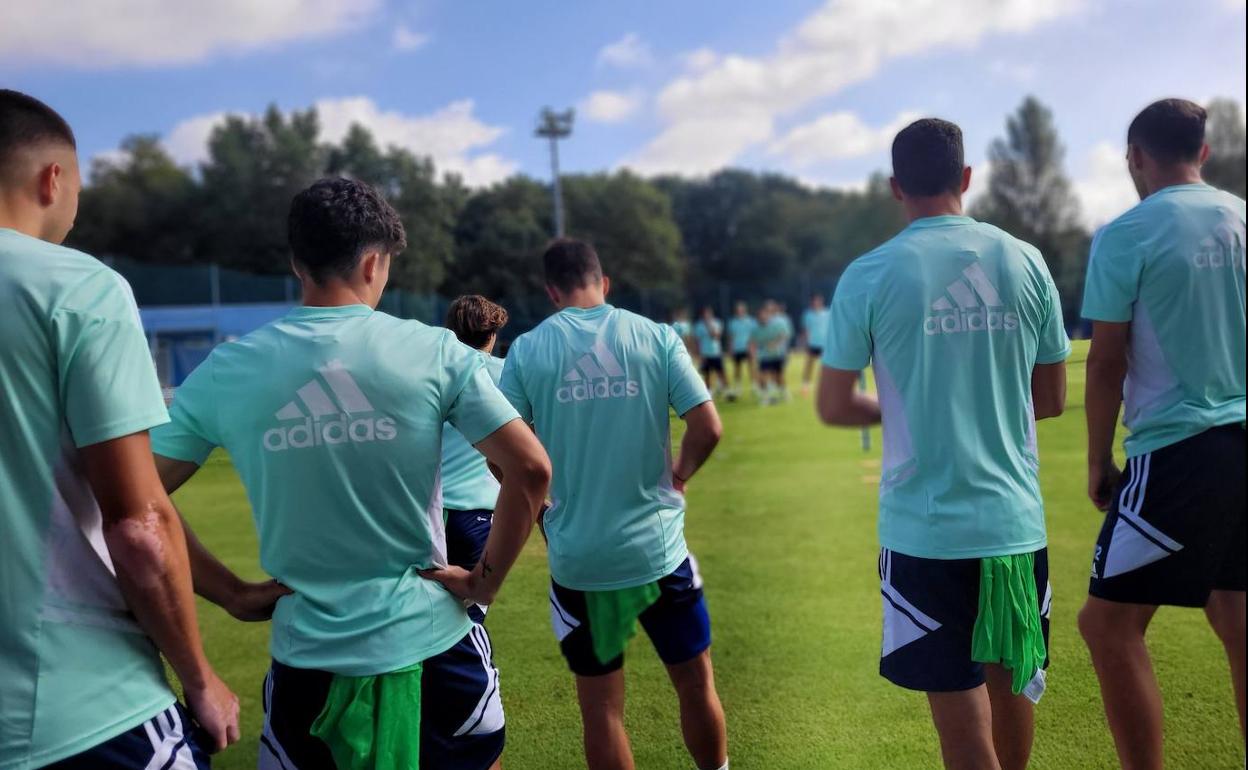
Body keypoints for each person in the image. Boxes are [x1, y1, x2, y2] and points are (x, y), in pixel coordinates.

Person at [150, 177, 552, 770]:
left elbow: (135, 496)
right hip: (436, 646)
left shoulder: (229, 368)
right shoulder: (435, 350)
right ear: (373, 261)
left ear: (296, 262)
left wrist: (232, 593)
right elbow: (532, 469)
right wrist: (483, 583)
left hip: (307, 658)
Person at [0, 89, 251, 770]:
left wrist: (230, 592)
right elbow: (139, 525)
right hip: (80, 708)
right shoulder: (78, 289)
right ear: (53, 179)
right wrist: (200, 678)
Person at [817, 118, 1069, 770]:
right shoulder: (1027, 260)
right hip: (1014, 524)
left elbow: (834, 403)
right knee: (1012, 685)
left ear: (896, 186)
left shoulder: (868, 274)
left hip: (923, 532)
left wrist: (905, 412)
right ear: (966, 178)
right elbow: (1051, 399)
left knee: (960, 733)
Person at [500, 238, 728, 770]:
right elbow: (708, 426)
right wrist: (680, 474)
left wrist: (537, 505)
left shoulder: (528, 350)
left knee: (602, 709)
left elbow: (503, 454)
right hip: (659, 552)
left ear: (552, 291)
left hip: (581, 560)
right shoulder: (655, 336)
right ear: (604, 284)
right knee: (696, 685)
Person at [1077, 98, 1246, 770]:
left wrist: (1097, 457)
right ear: (1202, 152)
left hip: (1181, 449)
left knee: (1107, 626)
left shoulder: (1128, 233)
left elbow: (1107, 359)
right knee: (1236, 614)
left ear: (1136, 157)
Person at [440, 294, 509, 620]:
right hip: (475, 515)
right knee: (467, 622)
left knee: (426, 620)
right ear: (492, 335)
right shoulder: (507, 376)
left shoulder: (430, 374)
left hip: (424, 513)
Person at [753, 301, 791, 405]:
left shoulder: (778, 323)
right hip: (764, 356)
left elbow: (785, 335)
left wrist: (775, 344)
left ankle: (785, 393)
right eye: (760, 315)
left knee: (779, 378)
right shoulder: (756, 328)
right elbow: (753, 341)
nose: (763, 316)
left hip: (777, 355)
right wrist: (753, 354)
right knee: (762, 377)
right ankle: (766, 398)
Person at [726, 301, 758, 401]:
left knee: (751, 367)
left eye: (741, 310)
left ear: (744, 310)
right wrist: (730, 349)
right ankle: (738, 388)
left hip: (747, 348)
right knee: (737, 369)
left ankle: (754, 386)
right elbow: (731, 337)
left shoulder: (751, 321)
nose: (740, 311)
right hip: (737, 348)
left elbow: (754, 336)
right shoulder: (732, 322)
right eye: (738, 310)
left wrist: (753, 348)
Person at [800, 294, 831, 395]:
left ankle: (826, 386)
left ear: (821, 302)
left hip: (825, 344)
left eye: (818, 301)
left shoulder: (827, 313)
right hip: (812, 344)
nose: (816, 303)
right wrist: (806, 343)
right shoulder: (808, 315)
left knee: (827, 366)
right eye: (814, 301)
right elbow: (806, 330)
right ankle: (805, 386)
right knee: (809, 366)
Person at [693, 306, 727, 396]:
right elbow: (697, 341)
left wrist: (709, 326)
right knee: (706, 373)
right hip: (705, 353)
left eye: (708, 313)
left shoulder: (717, 323)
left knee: (721, 372)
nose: (706, 316)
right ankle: (709, 391)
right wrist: (698, 354)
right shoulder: (699, 326)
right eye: (705, 314)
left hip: (716, 352)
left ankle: (725, 390)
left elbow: (716, 336)